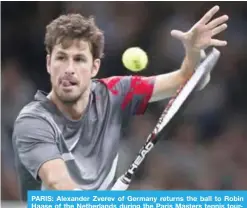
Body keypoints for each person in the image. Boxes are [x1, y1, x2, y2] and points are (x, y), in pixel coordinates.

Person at [12, 5, 228, 200]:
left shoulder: (114, 92)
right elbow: (56, 181)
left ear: (94, 67)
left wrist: (193, 51)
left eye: (79, 59)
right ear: (49, 63)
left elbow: (188, 81)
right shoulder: (34, 120)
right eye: (61, 58)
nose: (69, 68)